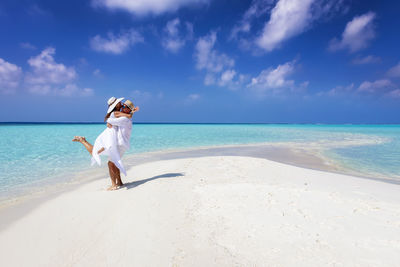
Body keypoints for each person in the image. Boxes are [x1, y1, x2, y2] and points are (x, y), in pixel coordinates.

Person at [73, 97, 138, 190]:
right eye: (121, 104)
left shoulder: (124, 119)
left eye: (124, 105)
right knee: (107, 158)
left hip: (117, 142)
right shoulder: (118, 115)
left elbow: (110, 121)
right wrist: (132, 112)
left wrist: (131, 113)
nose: (122, 105)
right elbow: (111, 120)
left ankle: (114, 185)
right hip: (113, 139)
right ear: (116, 105)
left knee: (109, 161)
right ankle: (118, 182)